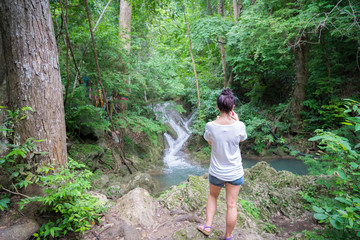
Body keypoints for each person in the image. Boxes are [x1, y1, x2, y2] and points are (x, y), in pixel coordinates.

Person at [197, 88, 247, 240]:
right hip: (235, 172)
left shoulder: (210, 126)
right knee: (231, 205)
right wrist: (236, 121)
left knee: (213, 196)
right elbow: (242, 139)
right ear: (233, 107)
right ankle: (228, 236)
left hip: (217, 171)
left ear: (218, 107)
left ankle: (207, 226)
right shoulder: (239, 125)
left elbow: (209, 141)